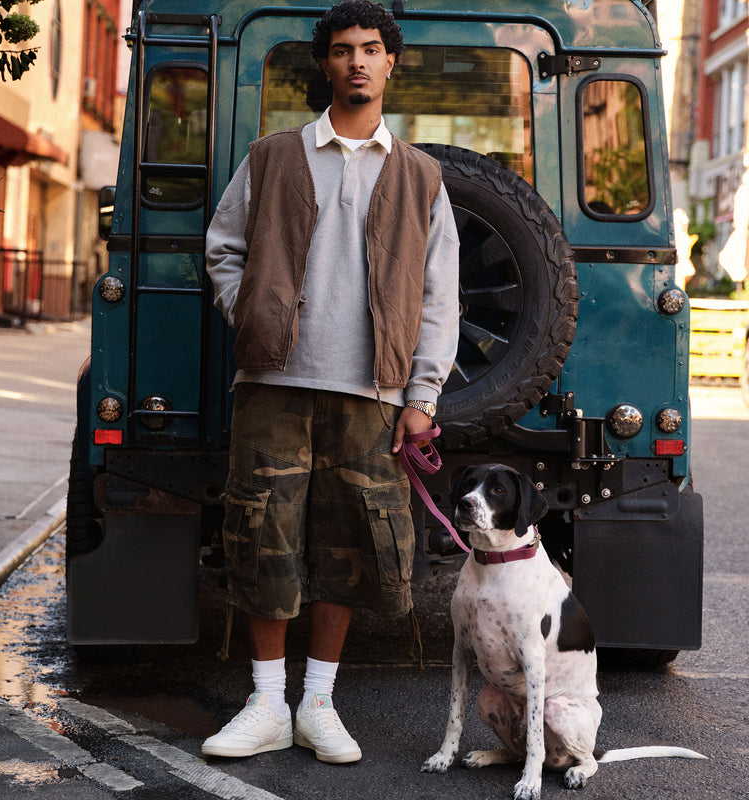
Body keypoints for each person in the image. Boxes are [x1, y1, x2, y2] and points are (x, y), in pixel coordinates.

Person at [201, 0, 459, 765]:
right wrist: (252, 318)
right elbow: (223, 250)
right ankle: (265, 703)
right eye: (343, 49)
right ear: (325, 63)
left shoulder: (421, 176)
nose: (356, 61)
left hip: (373, 393)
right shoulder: (275, 155)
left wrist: (422, 397)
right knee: (262, 536)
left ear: (390, 63)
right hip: (274, 383)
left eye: (370, 49)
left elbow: (441, 296)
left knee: (350, 544)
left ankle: (317, 703)